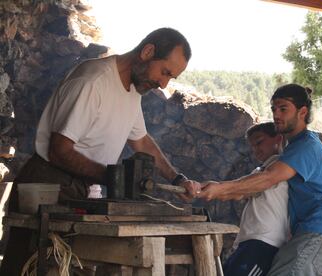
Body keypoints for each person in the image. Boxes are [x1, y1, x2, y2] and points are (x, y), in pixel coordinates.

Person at [1, 27, 199, 275]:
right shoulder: (93, 80)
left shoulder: (132, 91)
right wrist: (111, 177)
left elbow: (142, 142)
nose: (163, 84)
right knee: (26, 268)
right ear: (148, 52)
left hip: (83, 188)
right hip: (47, 184)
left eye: (172, 78)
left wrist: (177, 178)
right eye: (165, 72)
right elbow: (59, 151)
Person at [198, 83, 322, 276]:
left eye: (283, 109)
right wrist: (217, 190)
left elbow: (268, 178)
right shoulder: (293, 148)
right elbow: (257, 180)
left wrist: (220, 189)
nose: (276, 115)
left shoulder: (306, 145)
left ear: (302, 112)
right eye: (273, 109)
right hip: (314, 232)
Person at [223, 122, 289, 276]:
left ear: (278, 139)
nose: (255, 149)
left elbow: (239, 191)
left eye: (259, 142)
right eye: (252, 146)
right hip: (252, 240)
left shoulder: (281, 166)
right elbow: (240, 192)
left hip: (265, 242)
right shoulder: (261, 170)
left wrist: (212, 189)